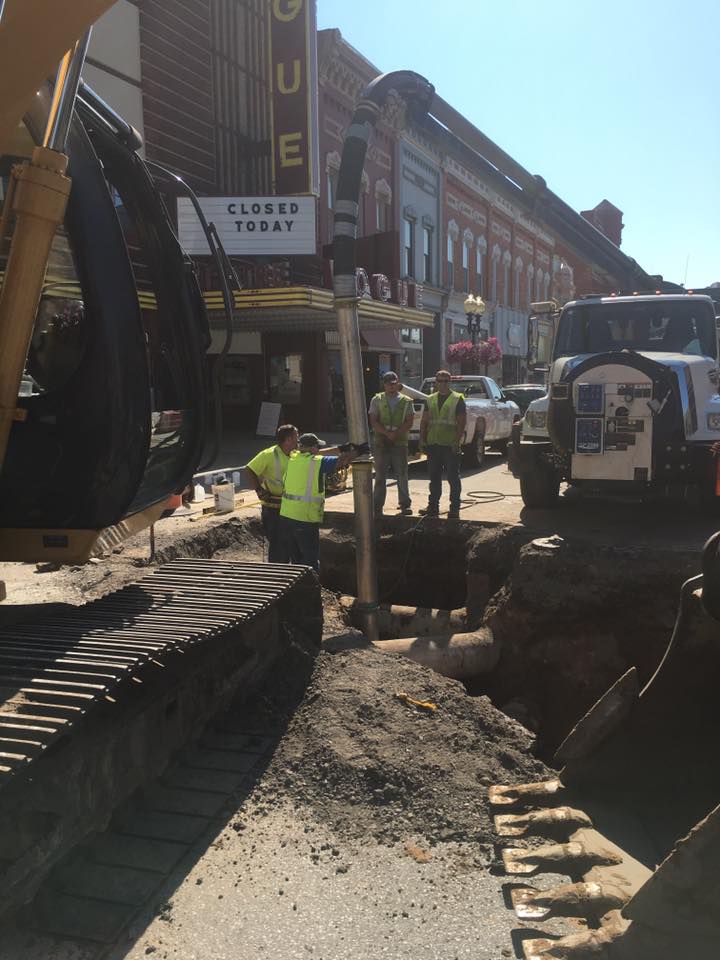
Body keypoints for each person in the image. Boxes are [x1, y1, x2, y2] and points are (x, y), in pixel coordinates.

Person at [278, 433, 356, 572]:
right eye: (317, 447)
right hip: (304, 518)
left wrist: (341, 448)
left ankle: (298, 589)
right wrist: (358, 451)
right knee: (310, 560)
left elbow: (316, 452)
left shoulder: (293, 457)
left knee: (296, 559)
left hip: (286, 517)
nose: (318, 449)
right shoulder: (317, 462)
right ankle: (310, 589)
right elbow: (342, 461)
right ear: (313, 448)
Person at [245, 424, 299, 561]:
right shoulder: (269, 454)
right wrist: (259, 489)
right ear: (287, 440)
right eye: (295, 437)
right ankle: (279, 574)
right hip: (273, 508)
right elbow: (249, 469)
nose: (298, 440)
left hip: (291, 507)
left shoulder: (296, 454)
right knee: (277, 544)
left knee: (291, 543)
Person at [419, 369, 466, 519]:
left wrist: (456, 442)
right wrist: (422, 439)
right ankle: (433, 507)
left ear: (450, 382)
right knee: (434, 478)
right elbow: (424, 421)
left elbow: (461, 423)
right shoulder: (430, 399)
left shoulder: (457, 399)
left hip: (449, 445)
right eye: (440, 381)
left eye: (446, 381)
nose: (443, 384)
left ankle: (454, 509)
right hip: (434, 444)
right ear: (436, 382)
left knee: (453, 478)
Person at [369, 370, 414, 517]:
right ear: (384, 384)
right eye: (389, 384)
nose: (392, 387)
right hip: (381, 442)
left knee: (402, 474)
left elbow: (409, 422)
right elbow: (373, 420)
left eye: (394, 384)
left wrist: (395, 434)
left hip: (399, 442)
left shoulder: (406, 400)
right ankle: (377, 506)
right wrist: (386, 433)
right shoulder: (377, 399)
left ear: (397, 382)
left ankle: (405, 505)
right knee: (380, 476)